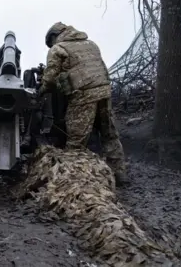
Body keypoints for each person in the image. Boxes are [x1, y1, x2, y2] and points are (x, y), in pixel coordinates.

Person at [38, 22, 129, 187]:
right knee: (109, 134)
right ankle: (120, 174)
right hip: (104, 92)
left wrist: (42, 90)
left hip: (83, 95)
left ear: (54, 37)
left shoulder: (58, 49)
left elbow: (50, 78)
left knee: (76, 141)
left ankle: (75, 182)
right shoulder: (90, 44)